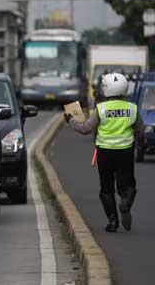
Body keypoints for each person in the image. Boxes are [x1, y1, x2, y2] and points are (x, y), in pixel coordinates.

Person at [64, 72, 143, 233]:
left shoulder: (101, 109)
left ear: (107, 89)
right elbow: (140, 131)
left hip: (105, 153)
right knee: (128, 184)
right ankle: (126, 202)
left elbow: (85, 129)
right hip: (125, 152)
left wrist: (71, 120)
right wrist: (139, 142)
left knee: (106, 189)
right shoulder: (132, 108)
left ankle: (112, 222)